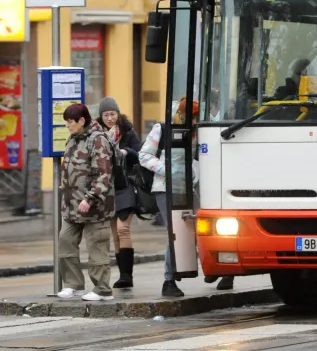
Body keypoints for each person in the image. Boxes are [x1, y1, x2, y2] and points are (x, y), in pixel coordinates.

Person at [139, 97, 235, 296]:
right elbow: (144, 155)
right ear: (181, 115)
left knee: (207, 228)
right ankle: (169, 281)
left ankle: (218, 269)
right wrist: (168, 170)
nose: (195, 122)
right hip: (165, 188)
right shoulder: (163, 129)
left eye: (198, 118)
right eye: (192, 118)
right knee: (175, 232)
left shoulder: (199, 130)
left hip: (190, 188)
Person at [57, 103, 115, 301]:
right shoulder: (73, 139)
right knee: (66, 242)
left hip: (95, 207)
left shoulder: (98, 140)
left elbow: (104, 174)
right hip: (71, 206)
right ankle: (74, 285)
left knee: (97, 247)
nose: (67, 125)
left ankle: (102, 289)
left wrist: (90, 198)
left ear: (82, 121)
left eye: (70, 122)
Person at [96, 97, 141, 289]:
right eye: (106, 115)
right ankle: (123, 277)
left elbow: (141, 155)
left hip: (126, 186)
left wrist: (126, 151)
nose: (109, 118)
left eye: (112, 114)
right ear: (101, 116)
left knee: (123, 229)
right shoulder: (97, 134)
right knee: (115, 232)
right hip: (108, 187)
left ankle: (127, 276)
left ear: (118, 114)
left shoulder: (127, 131)